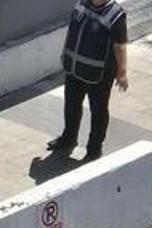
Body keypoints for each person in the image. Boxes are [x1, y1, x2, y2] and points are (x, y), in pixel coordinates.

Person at [47, 0, 128, 162]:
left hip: (99, 75)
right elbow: (72, 30)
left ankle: (94, 149)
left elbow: (120, 46)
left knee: (98, 111)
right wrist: (65, 53)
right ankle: (68, 138)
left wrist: (122, 73)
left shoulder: (115, 15)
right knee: (71, 105)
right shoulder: (81, 4)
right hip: (74, 69)